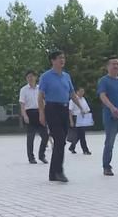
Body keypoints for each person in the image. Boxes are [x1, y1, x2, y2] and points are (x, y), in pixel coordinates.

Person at [38, 51, 85, 183]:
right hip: (52, 109)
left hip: (64, 109)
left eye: (63, 58)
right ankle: (59, 171)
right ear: (52, 61)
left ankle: (53, 173)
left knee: (61, 141)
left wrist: (80, 107)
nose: (62, 60)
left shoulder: (66, 76)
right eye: (59, 58)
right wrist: (41, 113)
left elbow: (72, 94)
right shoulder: (45, 77)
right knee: (59, 140)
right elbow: (40, 96)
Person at [19, 70, 49, 164]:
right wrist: (24, 115)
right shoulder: (24, 89)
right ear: (26, 79)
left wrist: (44, 113)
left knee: (45, 136)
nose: (30, 78)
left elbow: (45, 101)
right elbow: (22, 104)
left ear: (36, 77)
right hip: (30, 113)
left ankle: (41, 155)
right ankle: (31, 157)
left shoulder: (40, 88)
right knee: (30, 137)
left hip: (40, 112)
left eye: (32, 76)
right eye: (28, 77)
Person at [68, 87, 92, 155]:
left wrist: (87, 116)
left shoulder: (83, 99)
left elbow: (87, 109)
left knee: (79, 135)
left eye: (83, 91)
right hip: (76, 118)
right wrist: (71, 121)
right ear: (77, 92)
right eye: (81, 91)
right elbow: (70, 111)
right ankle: (85, 150)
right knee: (82, 134)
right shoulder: (73, 100)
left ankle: (72, 147)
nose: (82, 93)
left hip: (82, 118)